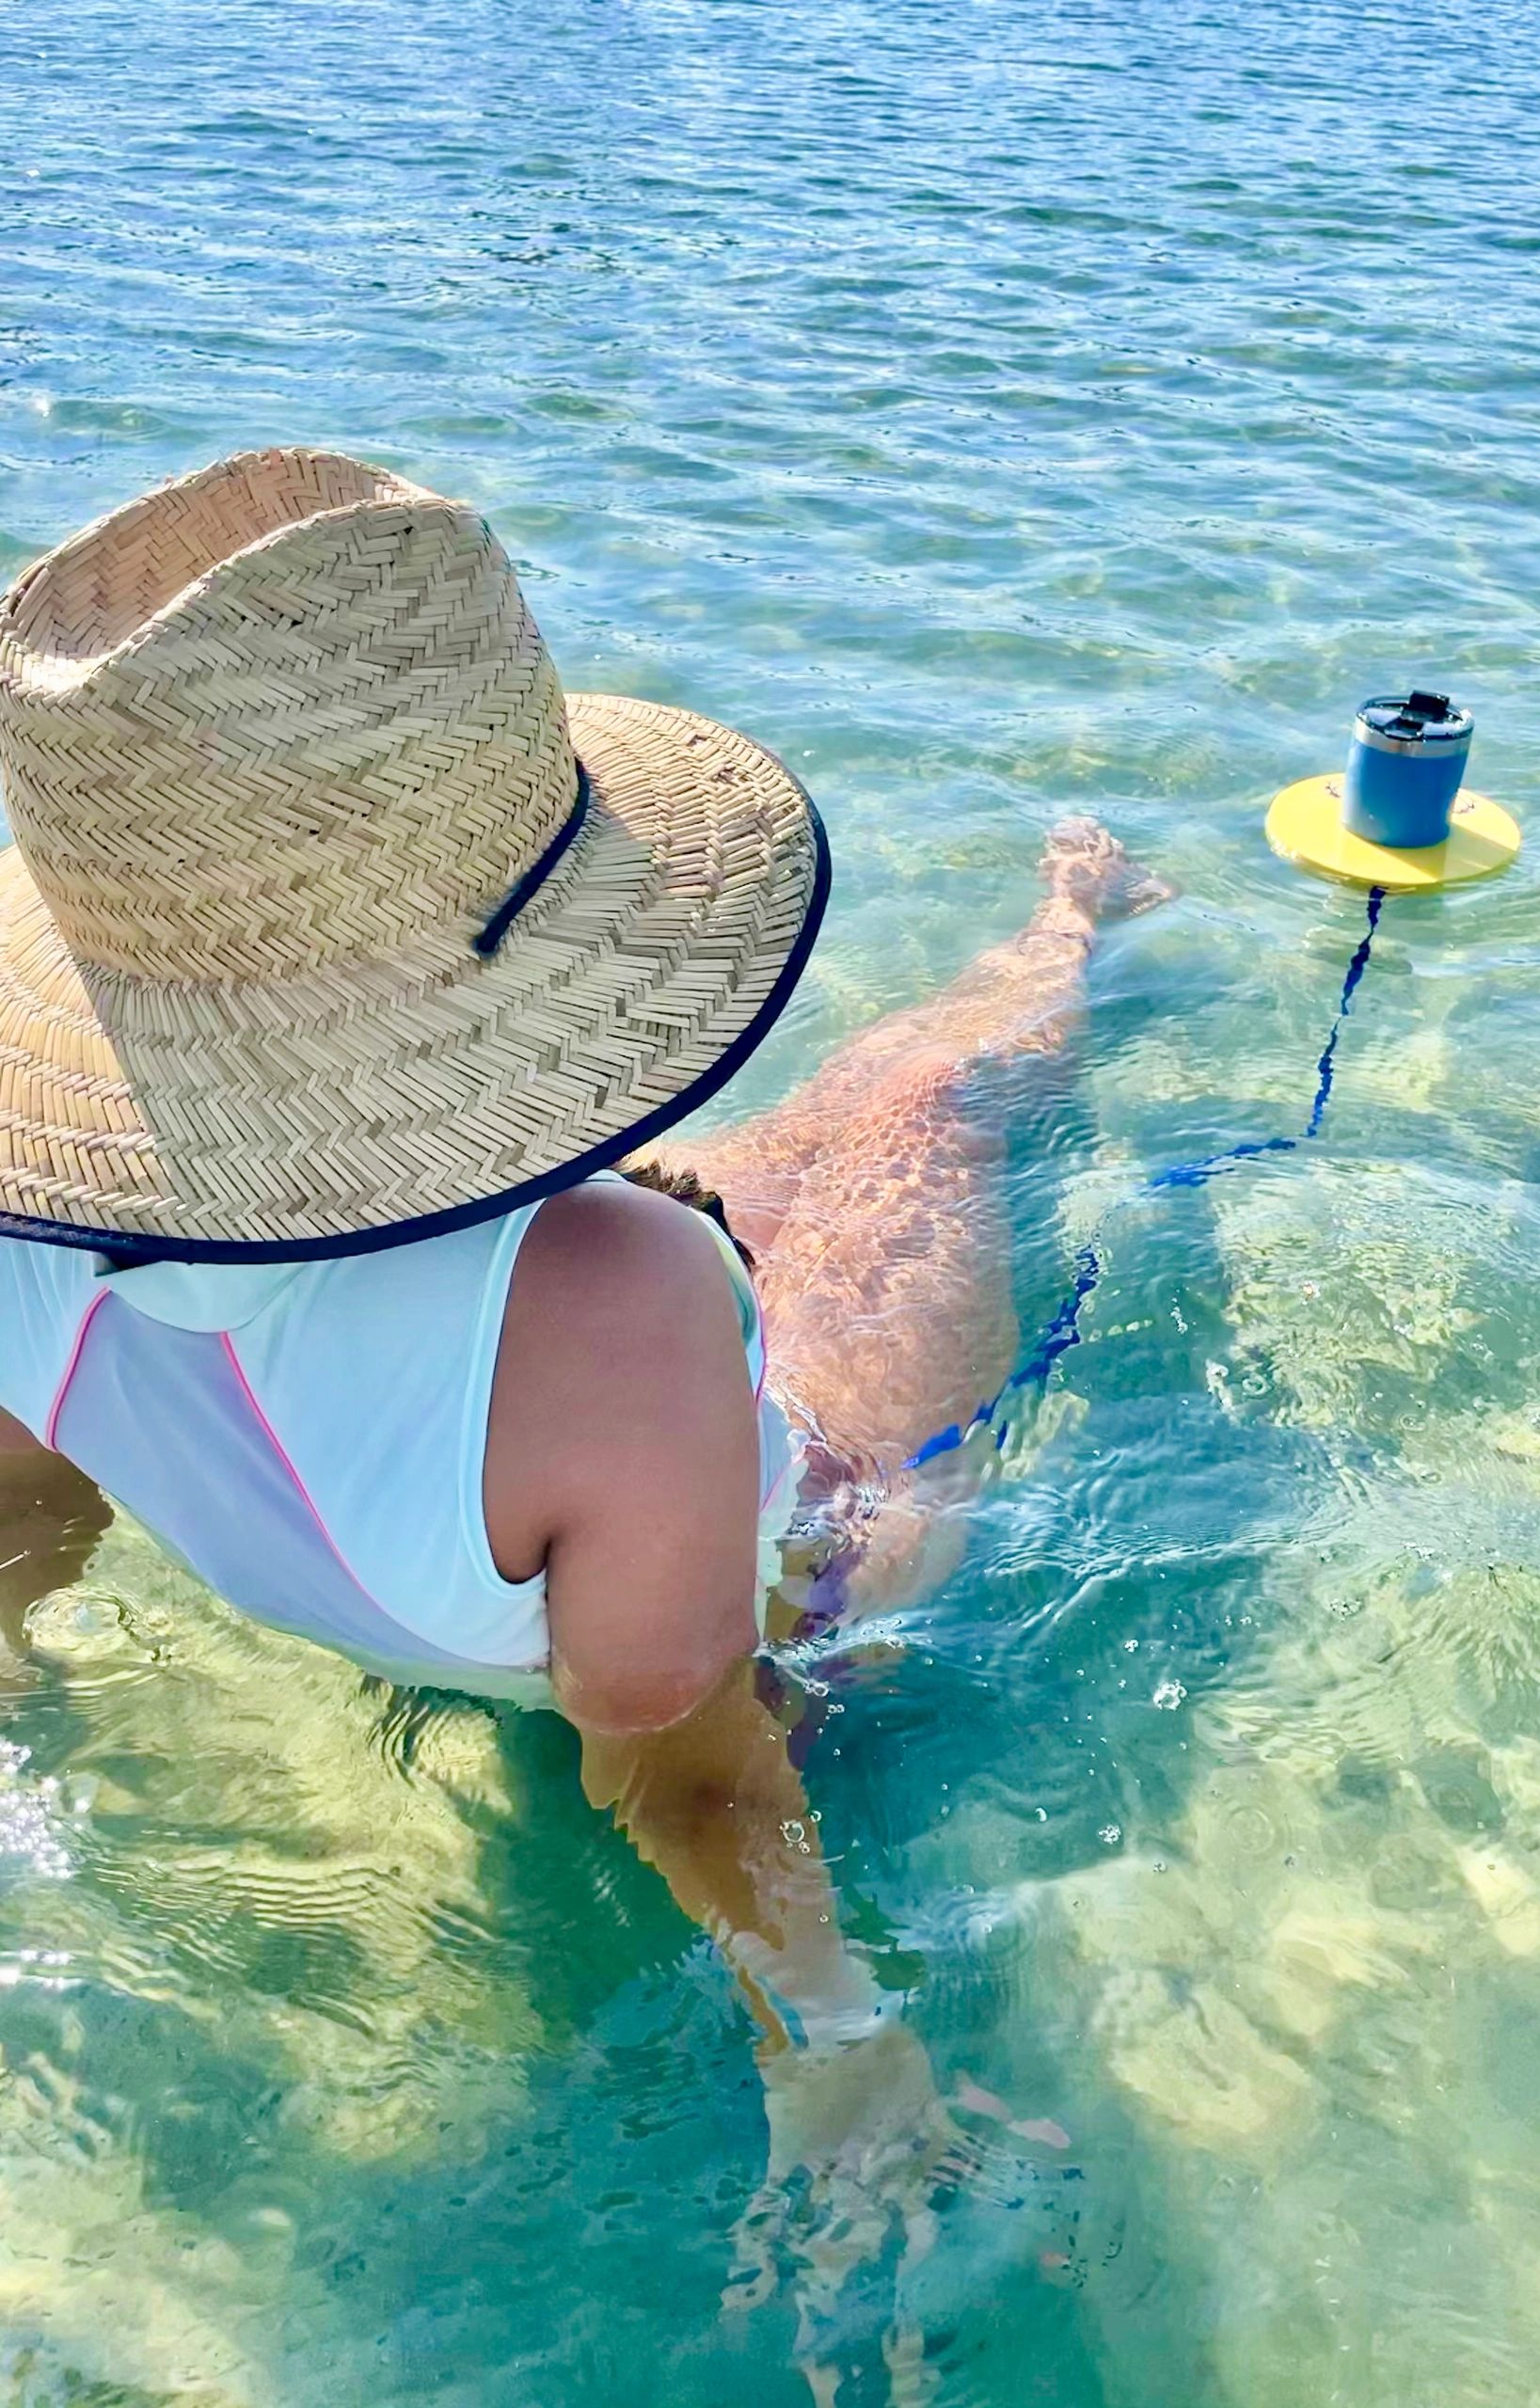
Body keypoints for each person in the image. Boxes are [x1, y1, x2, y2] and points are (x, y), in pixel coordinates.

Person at [0, 448, 1164, 2283]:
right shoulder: (614, 1289)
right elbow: (690, 1756)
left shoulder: (26, 1235)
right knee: (931, 1101)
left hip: (479, 1521)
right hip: (810, 1569)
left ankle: (1061, 938)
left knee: (781, 1153)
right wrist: (845, 2046)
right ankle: (1079, 925)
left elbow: (29, 1495)